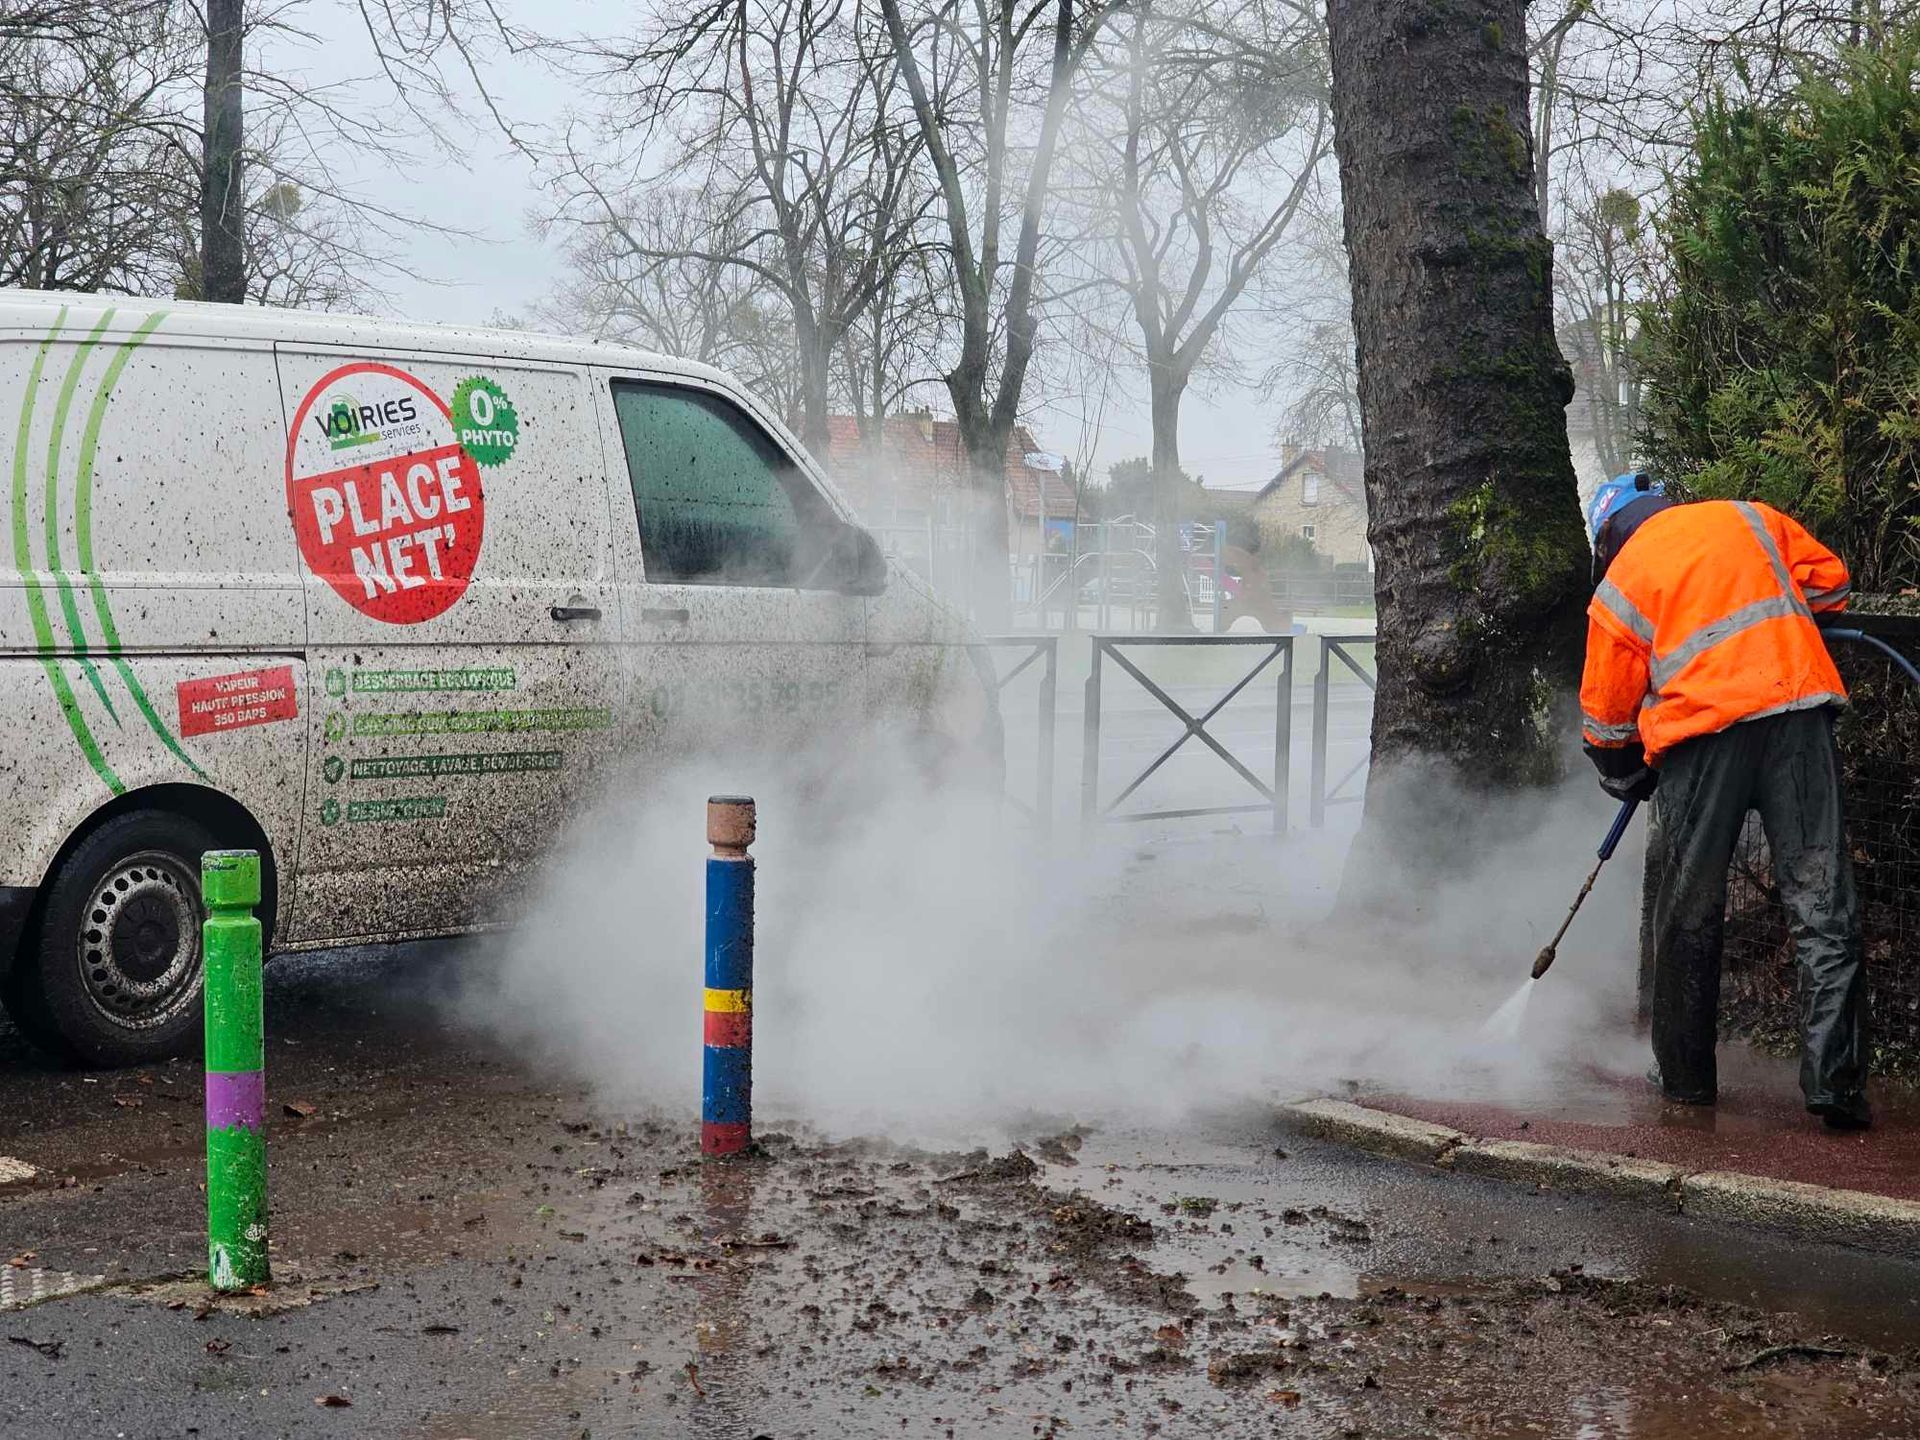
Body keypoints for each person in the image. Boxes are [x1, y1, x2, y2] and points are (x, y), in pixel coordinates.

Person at [1579, 472, 1869, 1130]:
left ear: (1611, 535)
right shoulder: (1753, 519)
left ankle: (1685, 1084)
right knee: (1823, 906)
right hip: (1797, 715)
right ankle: (1839, 1089)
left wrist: (1626, 774)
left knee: (1690, 912)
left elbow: (1604, 716)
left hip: (1700, 742)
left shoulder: (1622, 580)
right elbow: (1833, 586)